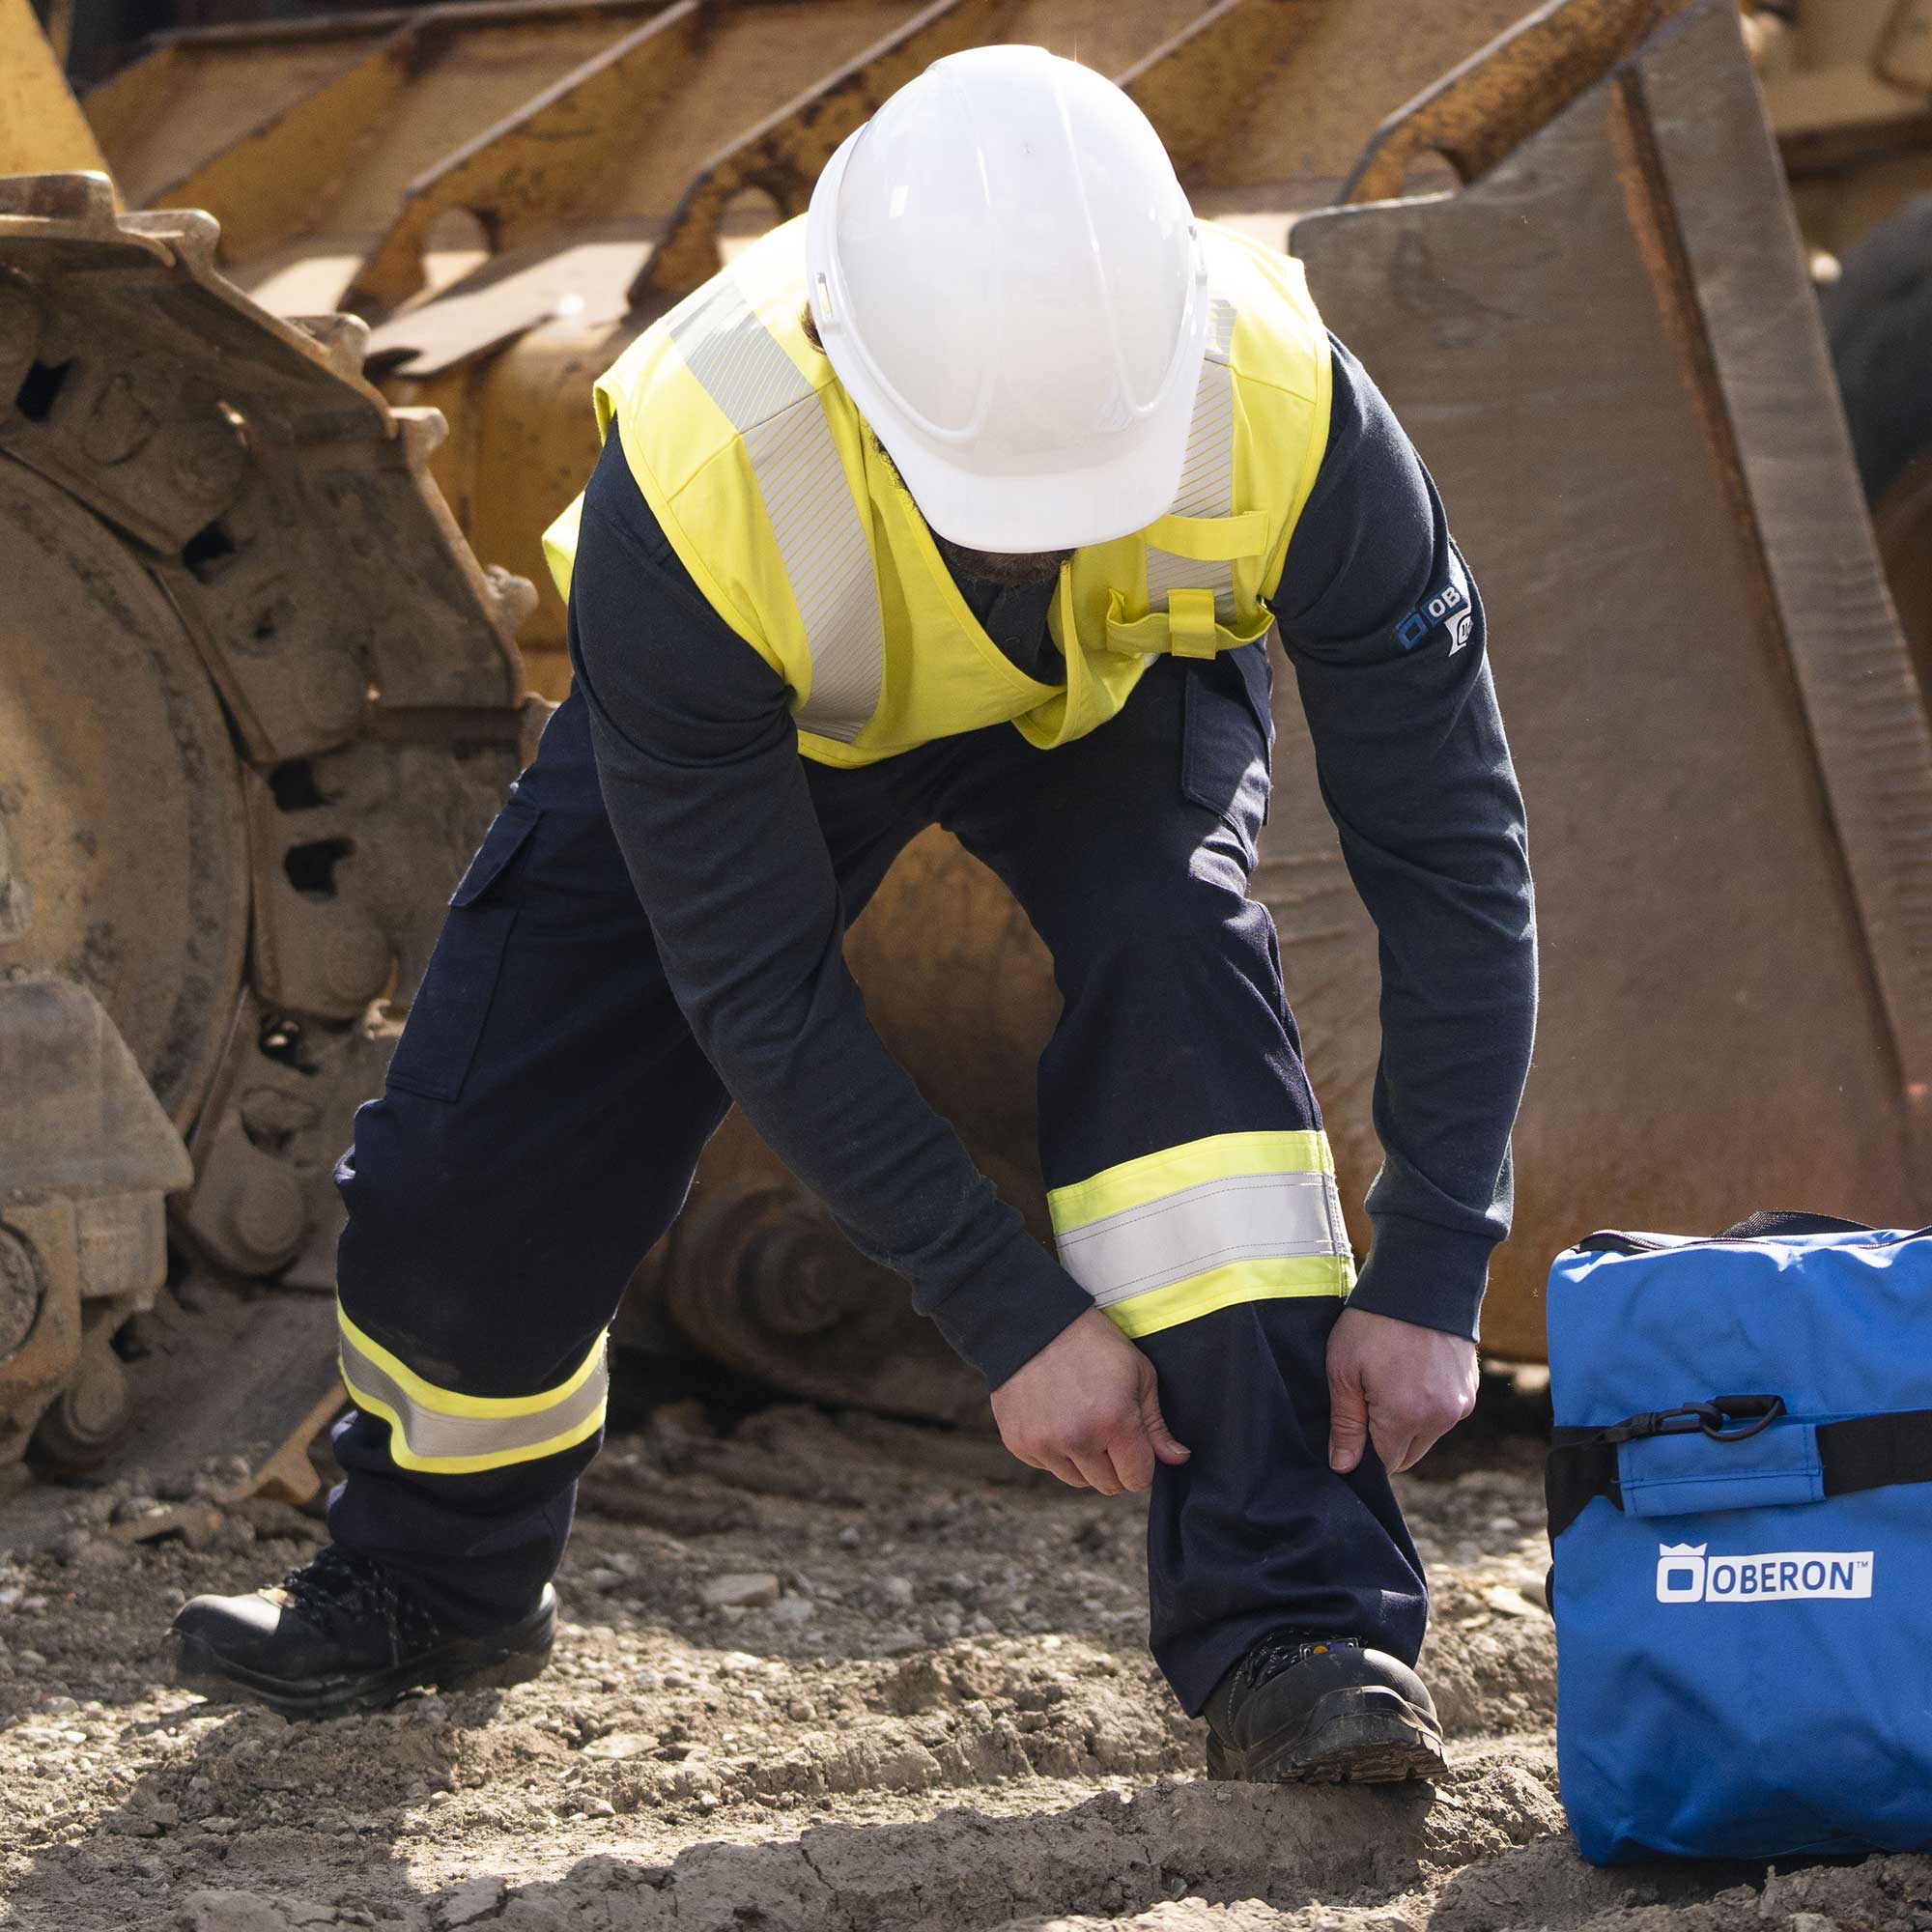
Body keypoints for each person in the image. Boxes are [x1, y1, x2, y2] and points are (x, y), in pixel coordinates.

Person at [169, 46, 1536, 1781]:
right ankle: (433, 1582)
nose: (1034, 542)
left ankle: (1300, 1625)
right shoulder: (707, 469)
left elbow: (1450, 849)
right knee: (473, 1163)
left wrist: (1434, 1264)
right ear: (844, 362)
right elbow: (759, 987)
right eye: (1000, 513)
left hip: (1120, 697)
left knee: (1176, 963)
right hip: (770, 718)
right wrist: (1009, 1316)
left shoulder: (1294, 408)